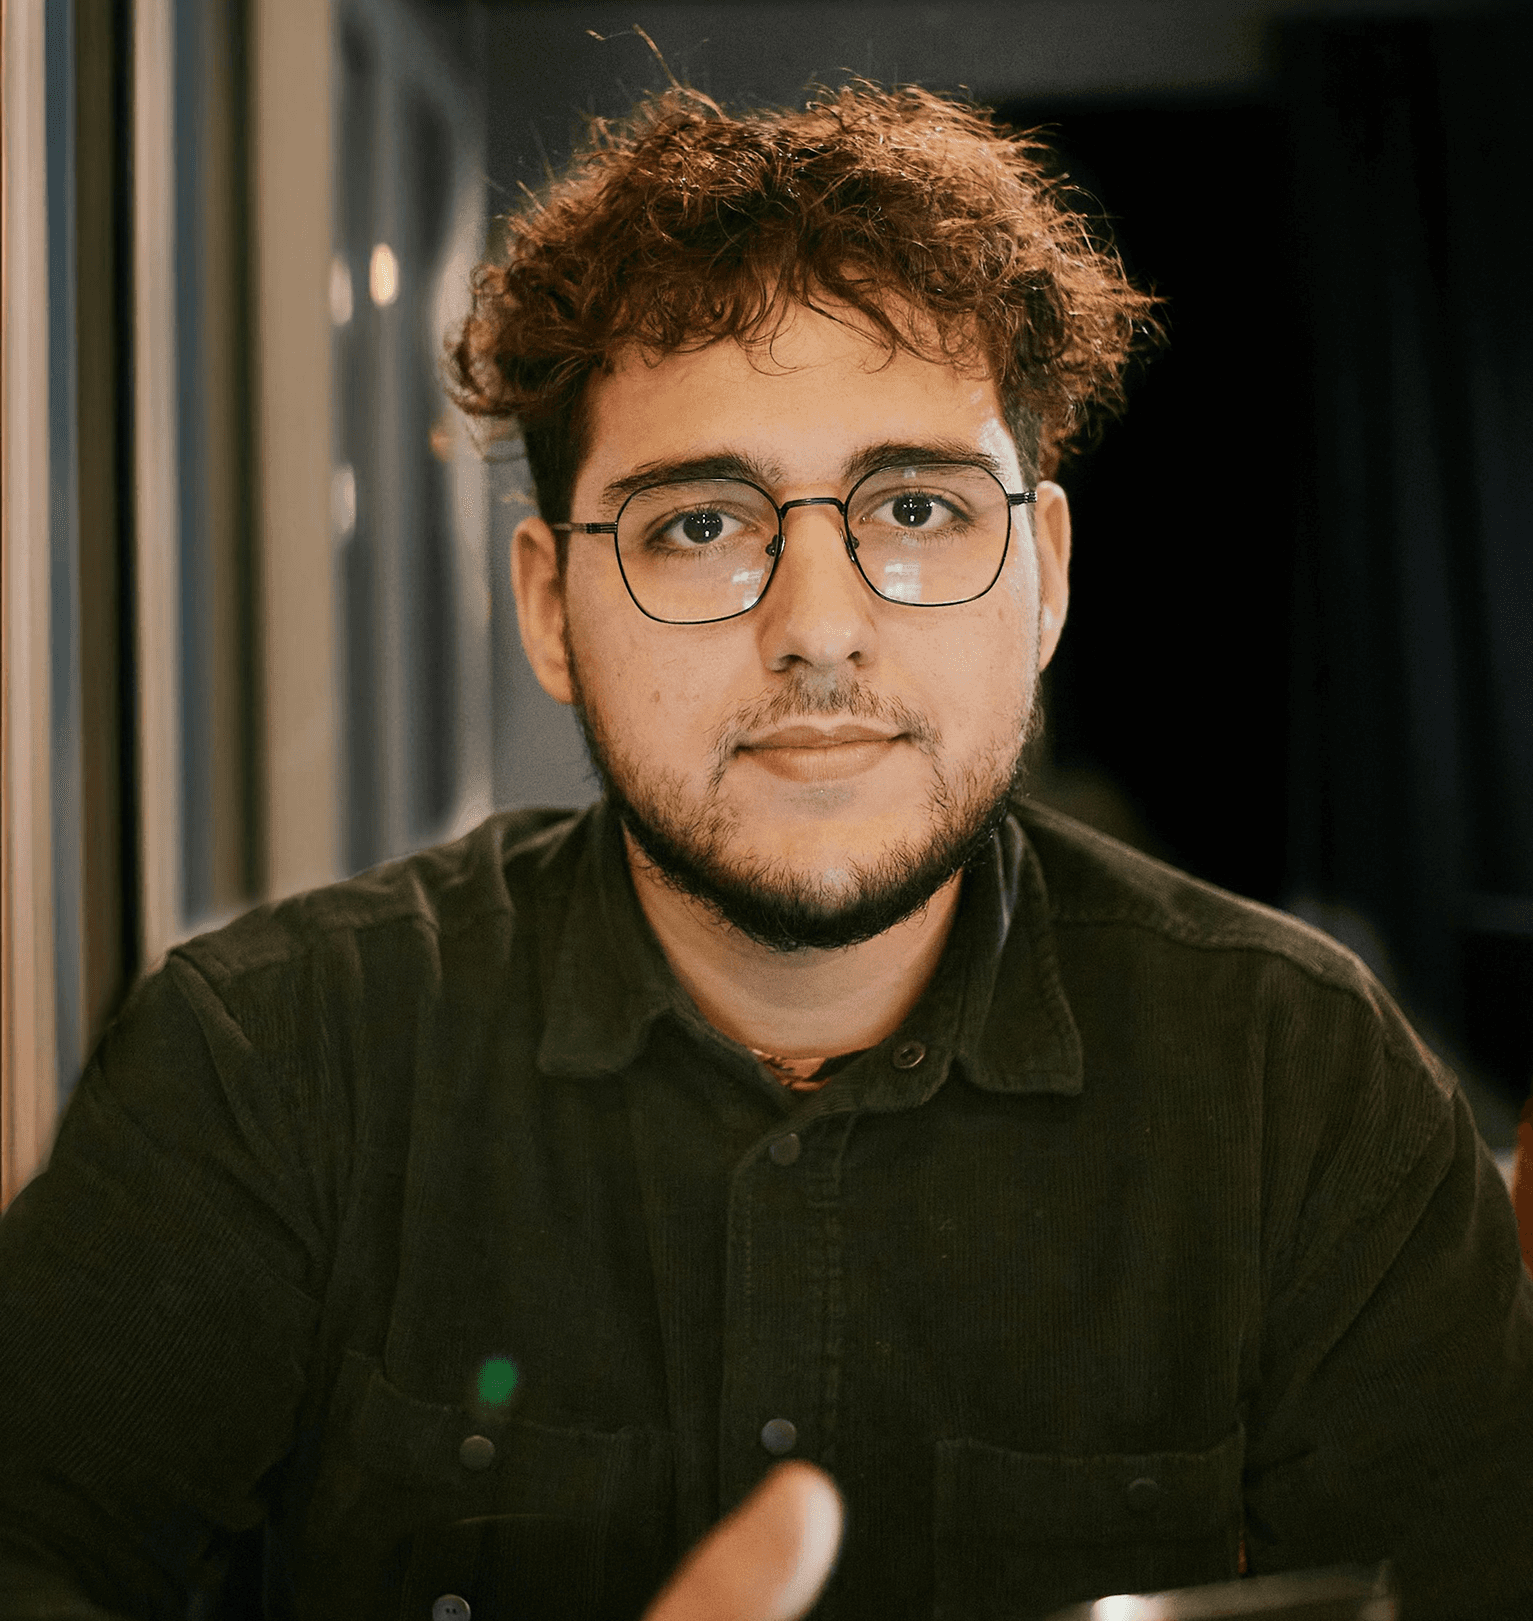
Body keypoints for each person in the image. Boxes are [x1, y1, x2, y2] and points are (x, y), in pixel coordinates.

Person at [2, 83, 1531, 1621]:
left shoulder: (1302, 1090)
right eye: (698, 526)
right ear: (548, 607)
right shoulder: (269, 1067)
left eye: (917, 507)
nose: (818, 629)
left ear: (1048, 580)